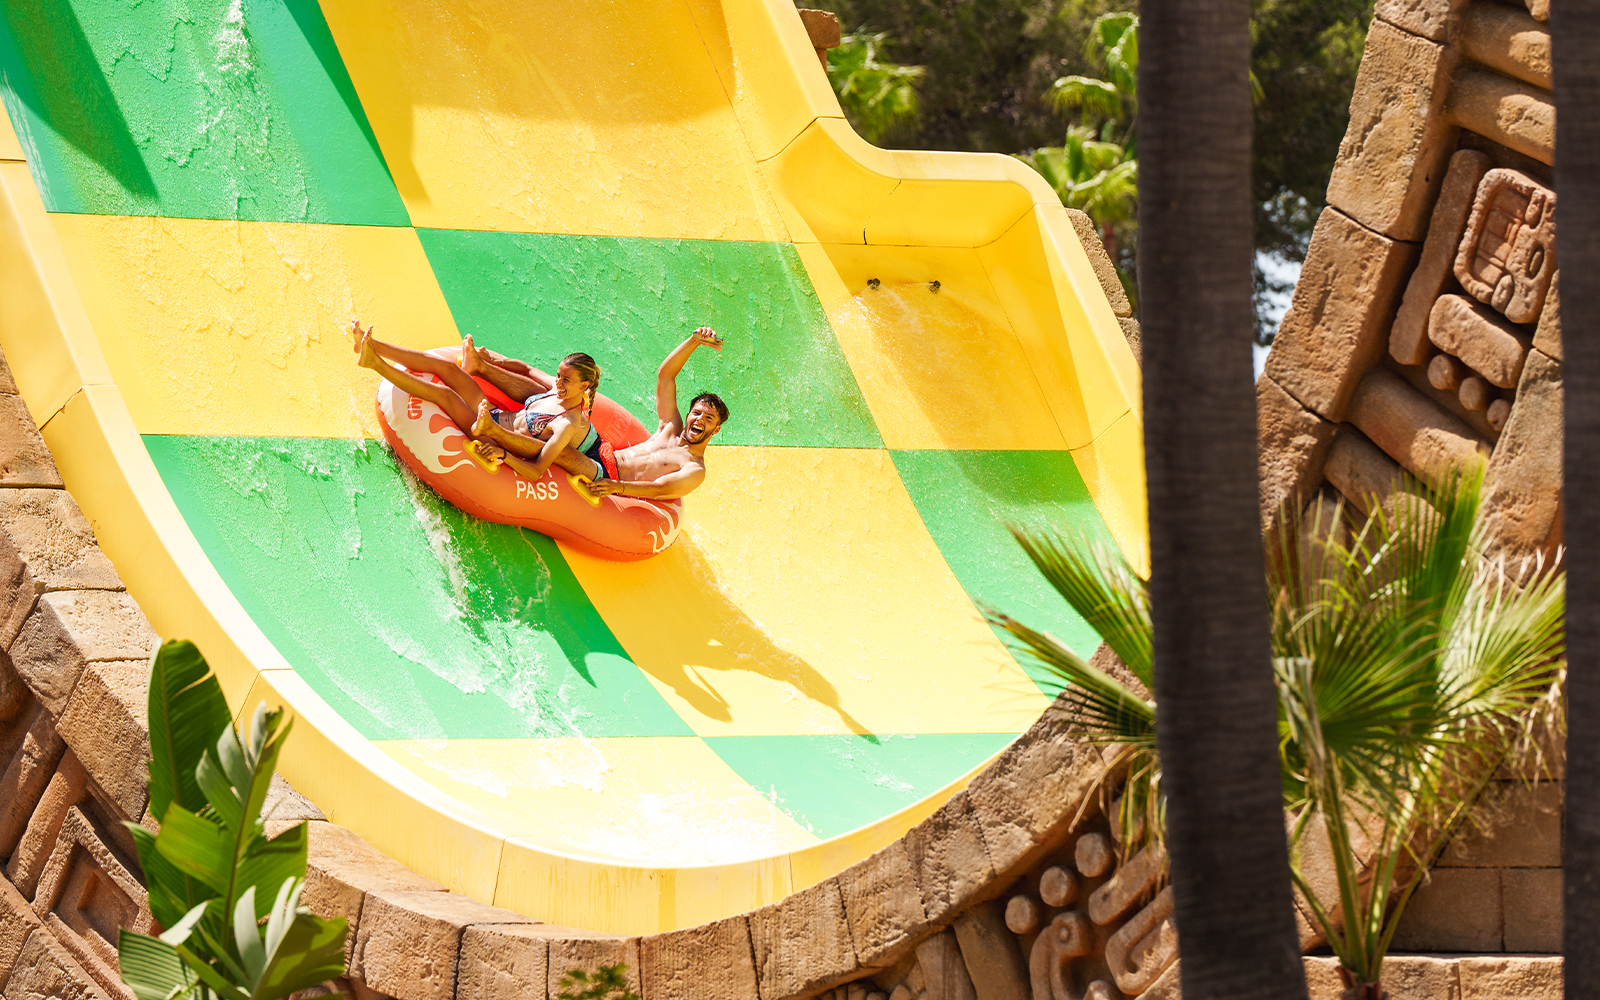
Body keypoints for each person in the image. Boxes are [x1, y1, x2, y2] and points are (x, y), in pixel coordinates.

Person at [462, 326, 729, 500]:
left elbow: (661, 489)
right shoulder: (670, 427)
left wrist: (617, 487)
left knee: (562, 450)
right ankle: (482, 368)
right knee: (552, 394)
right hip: (599, 447)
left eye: (708, 419)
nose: (699, 420)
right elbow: (665, 376)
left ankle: (495, 432)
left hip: (606, 474)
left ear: (716, 429)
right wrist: (694, 341)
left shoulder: (694, 468)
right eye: (697, 413)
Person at [351, 321, 607, 483]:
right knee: (448, 369)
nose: (558, 382)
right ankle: (371, 345)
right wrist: (495, 362)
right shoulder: (555, 388)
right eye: (559, 375)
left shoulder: (567, 424)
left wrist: (503, 454)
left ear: (583, 386)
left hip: (492, 435)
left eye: (565, 380)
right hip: (493, 413)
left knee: (447, 395)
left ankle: (375, 363)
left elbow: (537, 471)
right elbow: (527, 368)